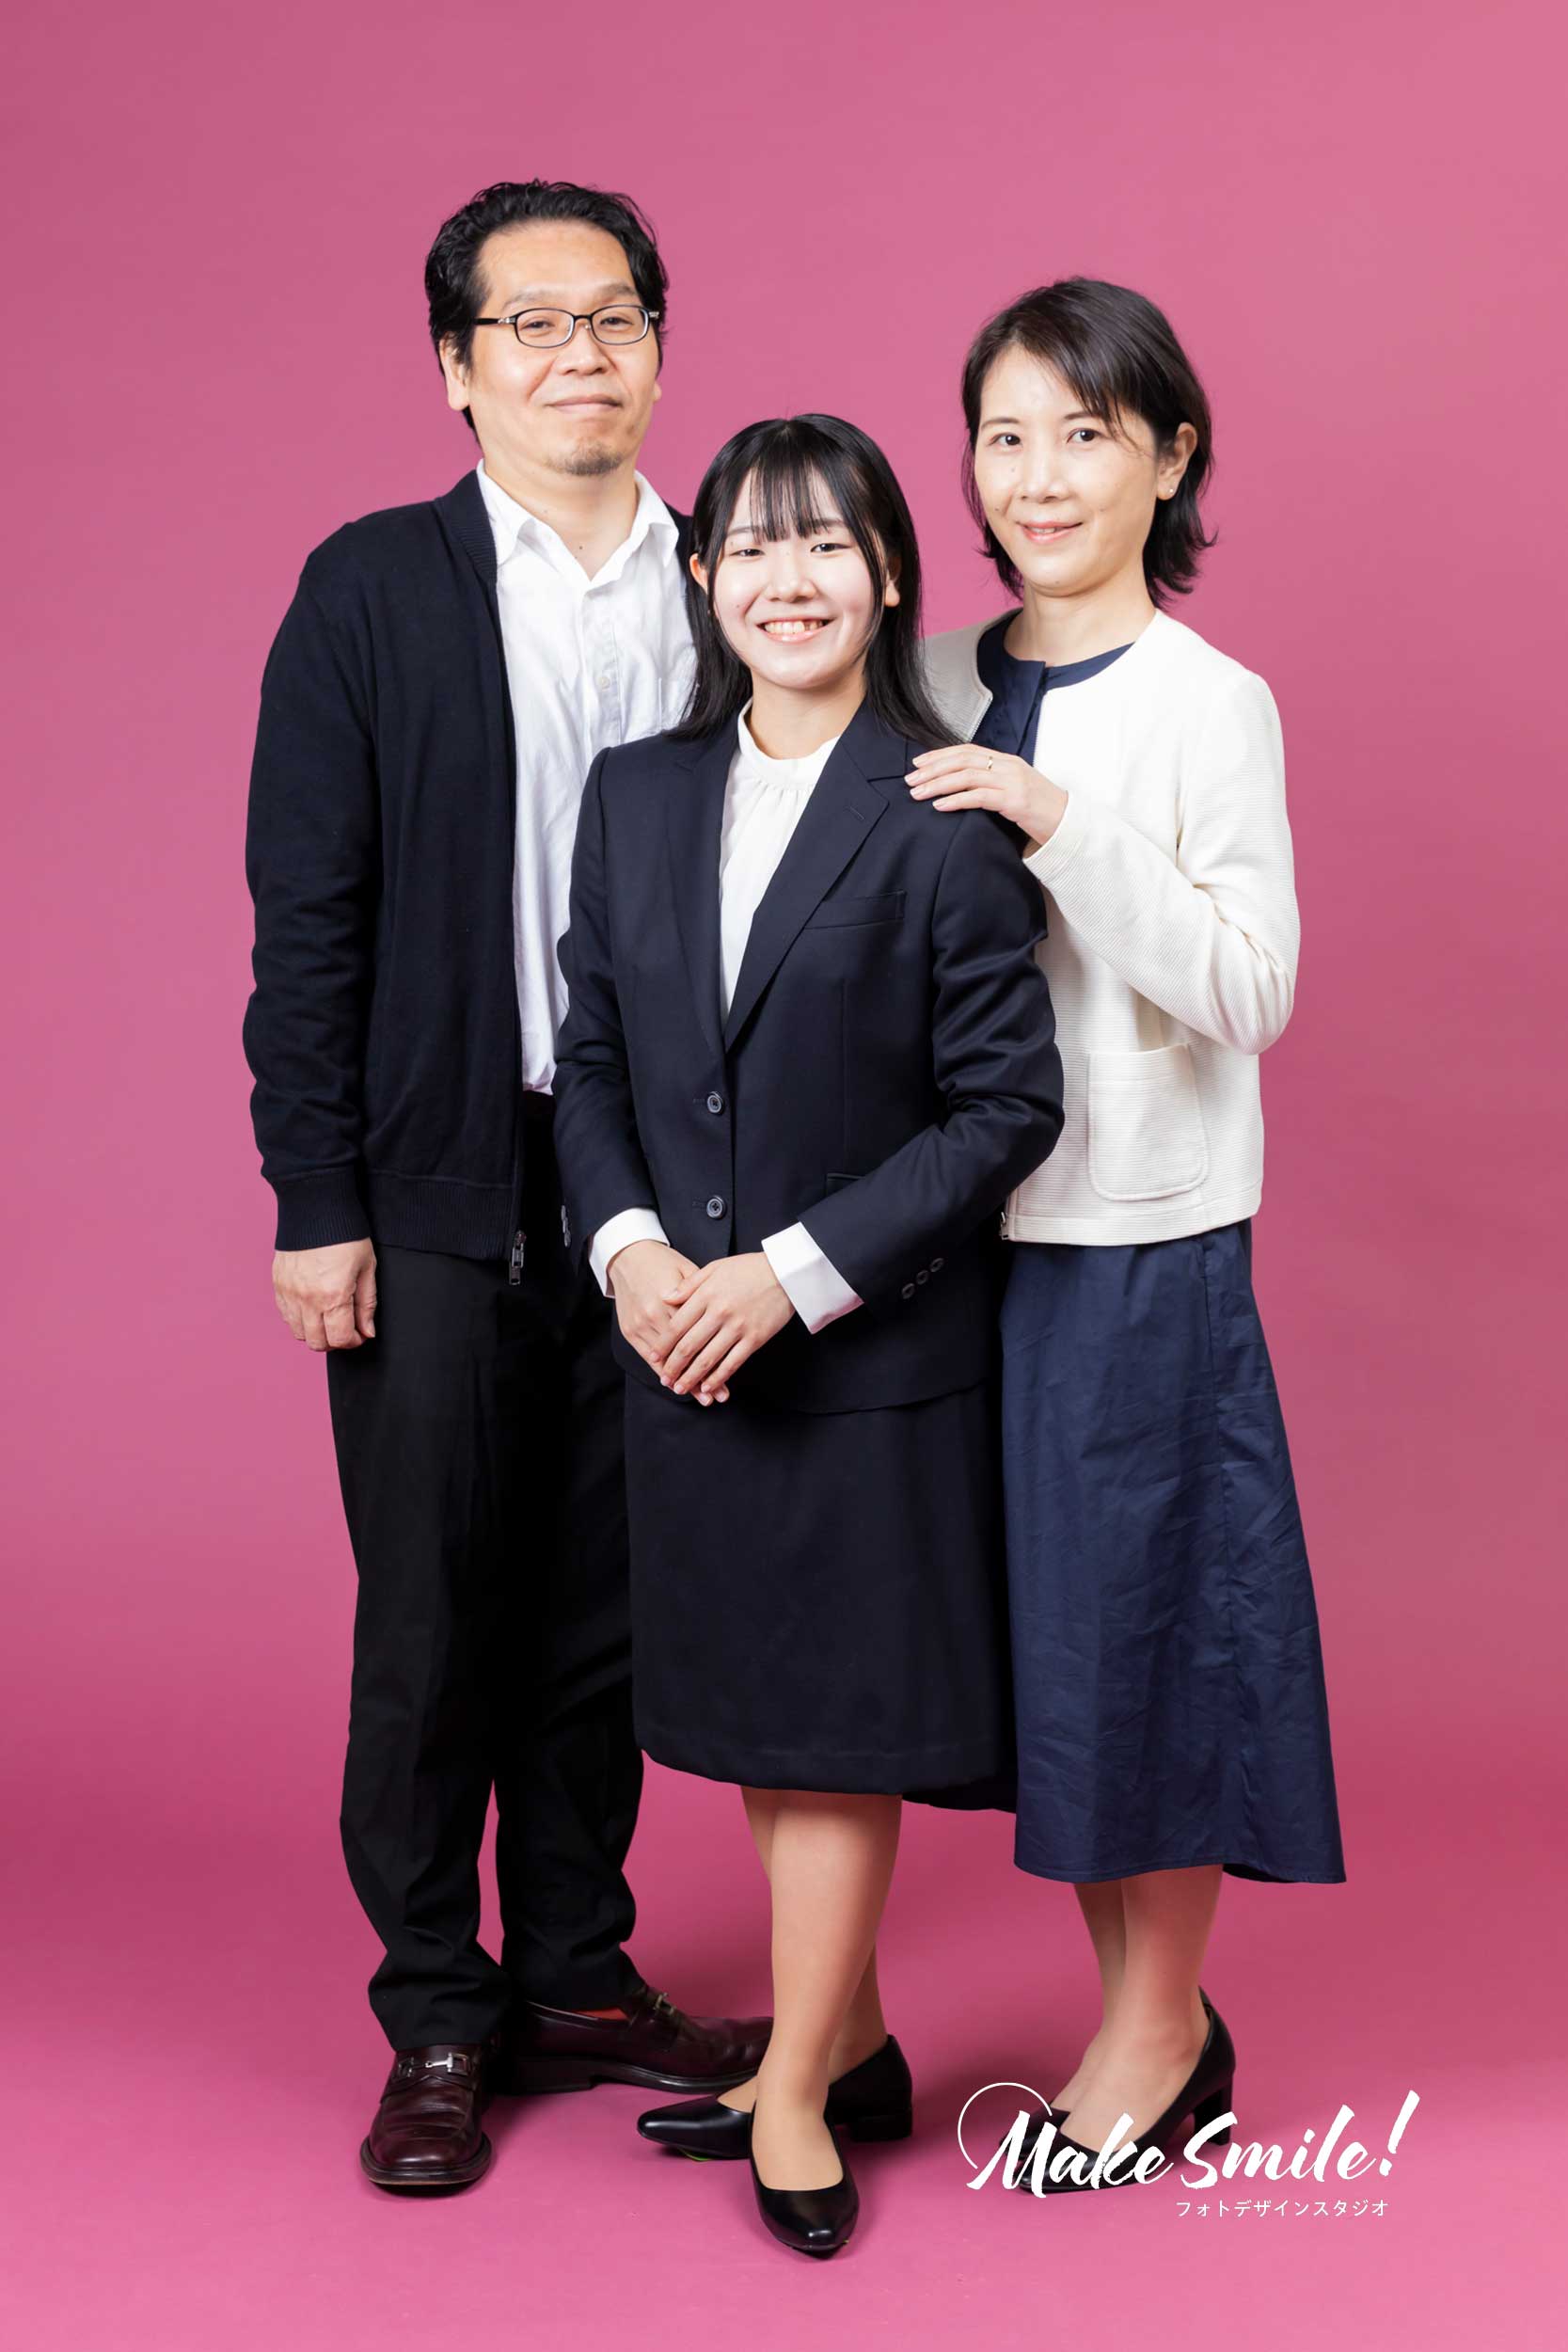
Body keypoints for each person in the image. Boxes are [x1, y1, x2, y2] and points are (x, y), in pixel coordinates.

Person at [242, 179, 768, 2196]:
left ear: (659, 348)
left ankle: (571, 1965)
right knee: (435, 1607)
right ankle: (438, 2010)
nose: (579, 355)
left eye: (614, 317)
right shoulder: (373, 589)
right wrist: (317, 1194)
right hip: (443, 1175)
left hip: (669, 1188)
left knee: (604, 1610)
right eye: (531, 323)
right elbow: (311, 918)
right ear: (458, 368)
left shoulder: (730, 577)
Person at [551, 413, 1065, 2254]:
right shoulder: (635, 795)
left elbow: (1006, 1109)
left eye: (830, 543)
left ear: (889, 576)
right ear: (706, 577)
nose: (791, 578)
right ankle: (848, 2041)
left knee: (837, 1729)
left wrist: (791, 1274)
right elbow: (592, 1058)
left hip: (862, 1361)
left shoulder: (944, 809)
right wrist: (631, 1256)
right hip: (681, 1350)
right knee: (772, 1719)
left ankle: (791, 2092)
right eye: (755, 546)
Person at [915, 278, 1345, 2191]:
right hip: (939, 1236)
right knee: (1030, 1650)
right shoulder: (925, 671)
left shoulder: (1206, 700)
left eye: (1084, 434)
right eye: (1005, 435)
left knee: (1140, 1638)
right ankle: (1125, 2018)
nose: (1039, 475)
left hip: (1130, 1236)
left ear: (1168, 458)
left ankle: (1159, 2026)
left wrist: (1060, 819)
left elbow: (1254, 988)